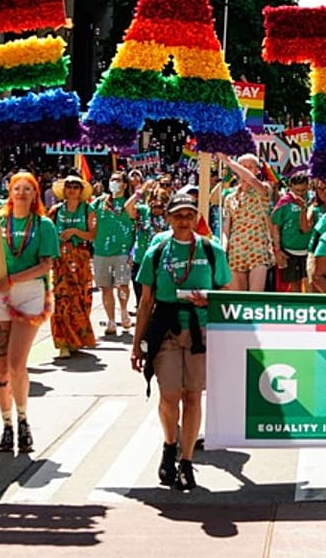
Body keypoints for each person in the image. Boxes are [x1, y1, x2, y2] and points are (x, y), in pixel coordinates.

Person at [130, 192, 231, 491]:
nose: (184, 220)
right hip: (166, 332)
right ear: (169, 219)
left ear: (197, 218)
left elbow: (227, 291)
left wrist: (208, 299)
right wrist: (137, 345)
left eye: (189, 215)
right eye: (178, 215)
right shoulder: (157, 251)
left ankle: (186, 462)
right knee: (169, 395)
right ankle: (168, 445)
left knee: (193, 396)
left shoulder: (212, 251)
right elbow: (146, 301)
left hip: (200, 332)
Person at [0, 165, 58, 454]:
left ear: (34, 194)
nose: (21, 192)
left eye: (27, 187)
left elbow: (47, 265)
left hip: (29, 292)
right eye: (17, 187)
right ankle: (6, 425)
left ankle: (23, 419)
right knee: (1, 368)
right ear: (9, 192)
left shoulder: (43, 225)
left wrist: (13, 279)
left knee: (18, 365)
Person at [49, 174, 97, 359]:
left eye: (76, 187)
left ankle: (76, 338)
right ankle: (63, 341)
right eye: (69, 186)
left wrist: (75, 232)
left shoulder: (88, 209)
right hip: (61, 260)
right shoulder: (56, 210)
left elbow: (93, 234)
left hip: (81, 259)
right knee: (62, 300)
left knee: (81, 298)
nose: (72, 189)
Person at [93, 172, 142, 334]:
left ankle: (123, 312)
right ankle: (111, 321)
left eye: (118, 180)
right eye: (111, 179)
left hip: (122, 251)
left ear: (125, 185)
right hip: (101, 251)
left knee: (122, 285)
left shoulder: (130, 204)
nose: (113, 182)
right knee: (106, 288)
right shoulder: (99, 202)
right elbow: (87, 214)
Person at [220, 155, 276, 293]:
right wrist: (223, 249)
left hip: (257, 251)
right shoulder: (230, 197)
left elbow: (251, 179)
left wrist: (229, 162)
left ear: (257, 170)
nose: (245, 170)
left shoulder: (263, 189)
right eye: (242, 166)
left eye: (250, 167)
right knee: (236, 299)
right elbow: (227, 228)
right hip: (236, 251)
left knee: (254, 298)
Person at [270, 174, 316, 293]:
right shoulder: (285, 202)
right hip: (289, 251)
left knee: (310, 284)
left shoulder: (313, 200)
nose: (300, 193)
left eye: (303, 190)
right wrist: (278, 249)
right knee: (294, 286)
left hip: (309, 250)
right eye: (297, 191)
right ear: (290, 188)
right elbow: (275, 226)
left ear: (308, 186)